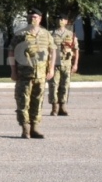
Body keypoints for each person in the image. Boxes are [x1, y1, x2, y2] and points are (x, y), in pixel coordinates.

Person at [8, 7, 55, 139]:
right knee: (23, 102)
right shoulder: (20, 34)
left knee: (38, 101)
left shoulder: (46, 34)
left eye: (35, 17)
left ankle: (35, 128)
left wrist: (51, 69)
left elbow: (52, 51)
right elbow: (11, 52)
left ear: (40, 19)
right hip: (24, 75)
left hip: (41, 75)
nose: (32, 19)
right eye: (30, 17)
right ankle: (25, 129)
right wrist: (13, 71)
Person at [49, 13, 79, 117]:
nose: (60, 21)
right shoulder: (51, 34)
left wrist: (75, 64)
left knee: (65, 85)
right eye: (58, 19)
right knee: (53, 85)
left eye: (62, 19)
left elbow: (76, 49)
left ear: (66, 21)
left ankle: (63, 106)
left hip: (67, 64)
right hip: (54, 64)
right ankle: (54, 107)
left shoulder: (71, 35)